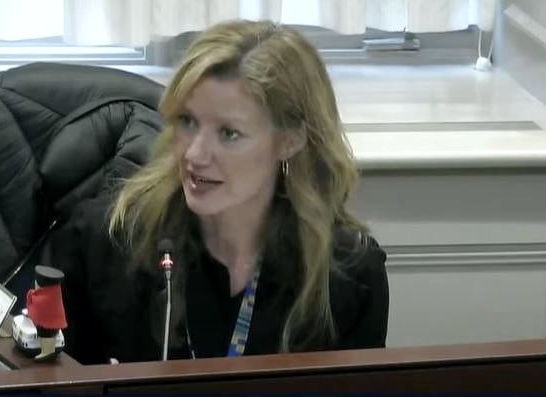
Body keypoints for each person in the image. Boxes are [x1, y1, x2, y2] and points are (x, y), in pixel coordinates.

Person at [46, 19, 389, 365]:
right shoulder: (103, 241)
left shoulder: (348, 276)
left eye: (229, 133)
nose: (194, 154)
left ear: (290, 140)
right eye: (188, 122)